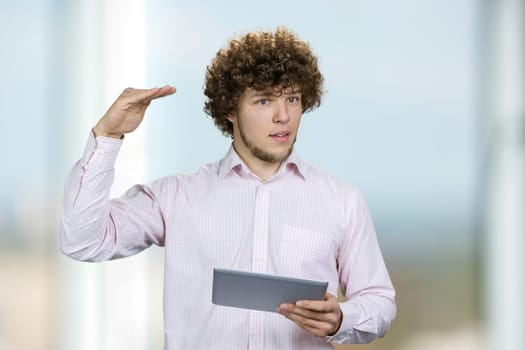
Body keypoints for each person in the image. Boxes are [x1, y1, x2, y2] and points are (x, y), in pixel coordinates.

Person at [60, 26, 396, 349]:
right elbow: (82, 241)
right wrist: (107, 136)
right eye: (264, 101)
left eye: (292, 99)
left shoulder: (341, 201)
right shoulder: (177, 198)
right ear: (230, 110)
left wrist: (341, 318)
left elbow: (379, 302)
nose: (283, 116)